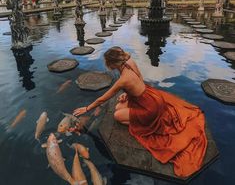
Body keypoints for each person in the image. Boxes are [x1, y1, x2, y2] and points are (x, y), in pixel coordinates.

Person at [73, 46, 208, 177]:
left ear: (113, 64)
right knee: (119, 106)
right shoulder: (129, 62)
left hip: (149, 109)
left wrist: (86, 108)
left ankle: (145, 123)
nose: (107, 66)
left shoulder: (122, 80)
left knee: (117, 115)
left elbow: (103, 98)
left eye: (108, 64)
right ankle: (142, 115)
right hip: (151, 96)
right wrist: (128, 93)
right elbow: (139, 79)